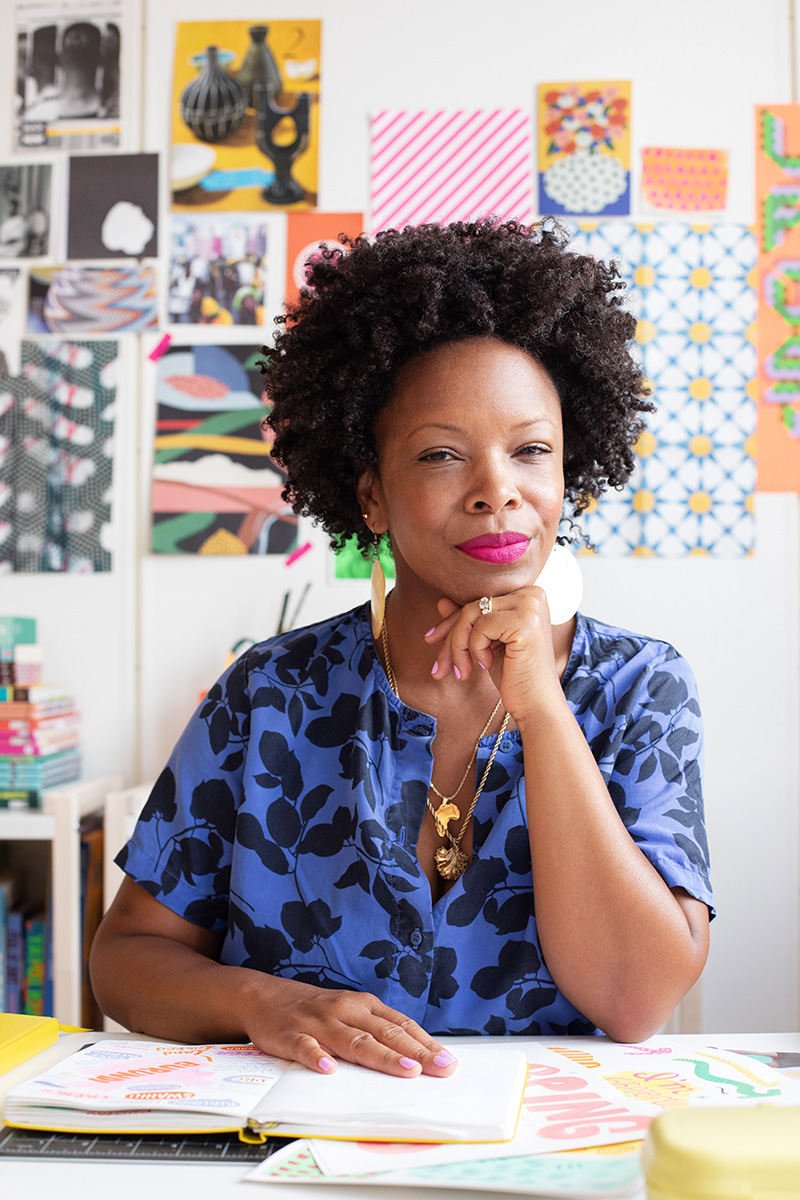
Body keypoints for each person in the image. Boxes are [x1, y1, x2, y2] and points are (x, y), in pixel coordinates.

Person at [91, 219, 713, 1078]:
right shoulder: (269, 693)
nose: (499, 489)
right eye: (442, 455)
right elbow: (124, 961)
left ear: (568, 470)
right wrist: (256, 1001)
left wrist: (540, 708)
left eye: (531, 449)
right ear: (372, 497)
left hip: (539, 1151)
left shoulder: (641, 687)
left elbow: (637, 999)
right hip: (296, 1153)